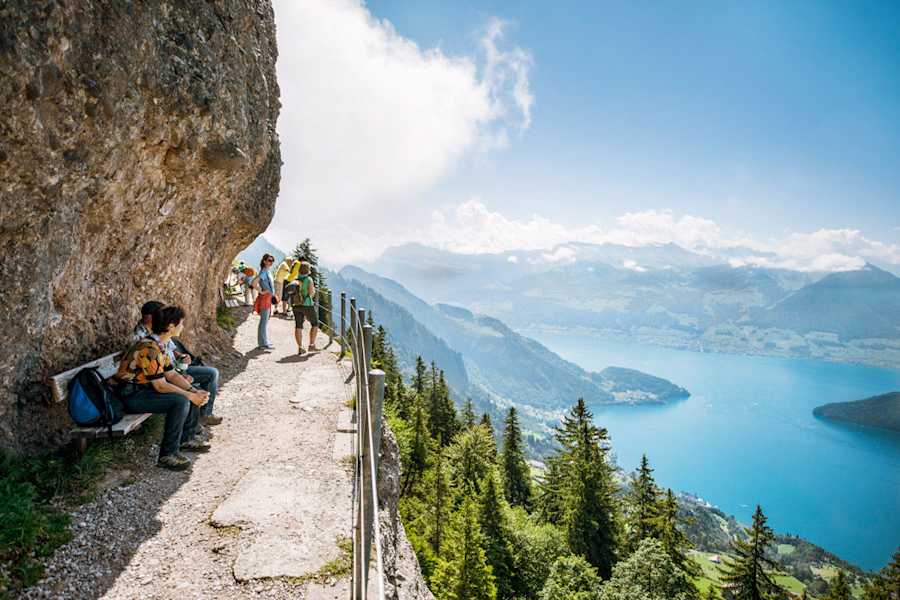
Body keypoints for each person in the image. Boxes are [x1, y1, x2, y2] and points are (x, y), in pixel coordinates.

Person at [111, 305, 210, 470]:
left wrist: (193, 391)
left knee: (188, 394)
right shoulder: (149, 349)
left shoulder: (159, 345)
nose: (182, 327)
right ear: (170, 326)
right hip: (129, 396)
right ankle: (167, 455)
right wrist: (189, 395)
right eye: (181, 323)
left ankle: (185, 440)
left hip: (142, 391)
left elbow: (171, 375)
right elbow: (161, 386)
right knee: (180, 401)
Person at [133, 301, 223, 426]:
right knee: (184, 399)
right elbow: (159, 381)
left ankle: (202, 418)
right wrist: (189, 392)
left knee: (206, 378)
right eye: (180, 324)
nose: (183, 327)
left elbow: (170, 368)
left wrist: (182, 360)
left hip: (169, 371)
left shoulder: (160, 340)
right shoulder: (148, 343)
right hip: (145, 386)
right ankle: (186, 438)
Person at [290, 261, 318, 355]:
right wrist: (313, 292)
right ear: (308, 270)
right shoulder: (309, 279)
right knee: (314, 324)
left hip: (296, 305)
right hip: (307, 305)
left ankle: (300, 347)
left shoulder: (295, 279)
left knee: (298, 326)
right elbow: (311, 293)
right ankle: (311, 345)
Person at [254, 253, 278, 349]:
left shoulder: (267, 271)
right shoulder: (264, 271)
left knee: (265, 320)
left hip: (268, 298)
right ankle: (262, 344)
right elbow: (254, 282)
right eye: (269, 260)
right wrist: (261, 291)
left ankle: (264, 341)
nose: (271, 262)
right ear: (264, 261)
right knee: (263, 321)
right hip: (265, 298)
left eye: (272, 260)